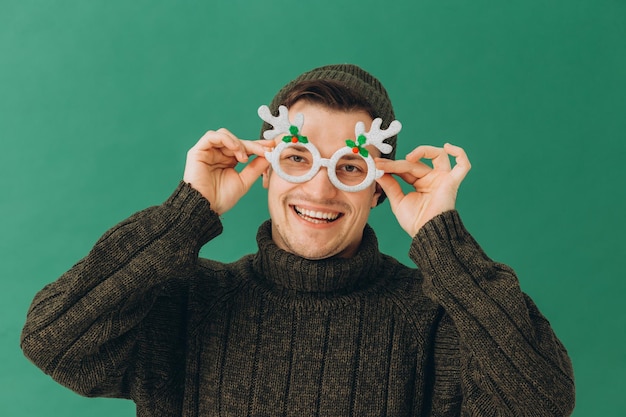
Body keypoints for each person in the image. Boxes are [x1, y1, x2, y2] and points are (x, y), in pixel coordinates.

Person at [20, 64, 575, 416]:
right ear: (264, 168)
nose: (319, 187)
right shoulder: (184, 300)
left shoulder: (433, 320)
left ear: (379, 186)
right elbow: (52, 341)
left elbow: (543, 401)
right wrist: (185, 212)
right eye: (296, 158)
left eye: (349, 168)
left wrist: (442, 240)